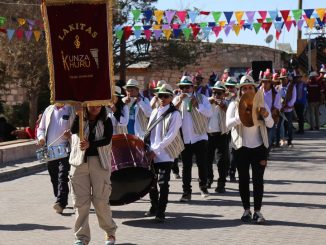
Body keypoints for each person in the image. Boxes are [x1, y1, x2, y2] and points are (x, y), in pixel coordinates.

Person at [226, 75, 274, 224]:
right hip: (241, 147)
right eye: (244, 88)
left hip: (259, 147)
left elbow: (271, 124)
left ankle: (258, 211)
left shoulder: (261, 102)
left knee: (258, 180)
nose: (247, 90)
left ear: (254, 89)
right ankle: (246, 210)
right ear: (240, 90)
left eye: (250, 87)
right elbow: (227, 124)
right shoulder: (234, 104)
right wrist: (242, 115)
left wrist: (266, 116)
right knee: (244, 180)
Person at [69, 105, 117, 245]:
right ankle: (81, 238)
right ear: (86, 105)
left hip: (99, 163)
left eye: (98, 104)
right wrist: (79, 115)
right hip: (79, 164)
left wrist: (90, 144)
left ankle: (110, 233)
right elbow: (73, 131)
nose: (95, 107)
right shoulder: (79, 118)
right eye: (92, 104)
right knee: (80, 202)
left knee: (101, 200)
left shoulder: (106, 120)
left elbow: (107, 139)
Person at [144, 84, 183, 223]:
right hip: (152, 152)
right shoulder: (154, 112)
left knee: (163, 183)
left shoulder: (175, 114)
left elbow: (171, 136)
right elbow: (149, 132)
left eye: (166, 96)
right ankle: (154, 206)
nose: (162, 98)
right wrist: (149, 149)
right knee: (151, 182)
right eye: (160, 95)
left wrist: (156, 150)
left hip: (165, 153)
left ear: (171, 98)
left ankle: (161, 211)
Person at [173, 76, 212, 202]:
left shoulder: (202, 98)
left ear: (192, 87)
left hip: (199, 136)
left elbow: (209, 113)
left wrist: (198, 105)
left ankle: (203, 187)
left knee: (202, 164)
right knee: (186, 166)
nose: (185, 89)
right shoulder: (177, 99)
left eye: (187, 87)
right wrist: (178, 101)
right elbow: (169, 113)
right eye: (182, 87)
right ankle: (186, 192)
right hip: (185, 138)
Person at [37, 104, 74, 214]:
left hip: (65, 149)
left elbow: (77, 128)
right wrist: (41, 138)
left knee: (62, 175)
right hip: (50, 149)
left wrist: (70, 135)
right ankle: (59, 196)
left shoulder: (71, 109)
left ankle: (61, 202)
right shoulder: (48, 109)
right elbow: (41, 128)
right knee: (53, 176)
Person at [206, 82, 229, 193]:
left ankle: (221, 183)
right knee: (207, 160)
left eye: (219, 93)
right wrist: (208, 103)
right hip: (208, 135)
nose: (216, 95)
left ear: (224, 94)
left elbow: (230, 112)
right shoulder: (207, 101)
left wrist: (222, 105)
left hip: (221, 135)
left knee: (221, 161)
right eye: (214, 92)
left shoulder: (227, 103)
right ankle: (209, 179)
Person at [259, 69, 282, 150]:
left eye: (267, 82)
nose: (265, 83)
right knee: (259, 139)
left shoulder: (275, 93)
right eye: (264, 81)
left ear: (270, 83)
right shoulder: (258, 91)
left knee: (268, 139)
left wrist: (268, 115)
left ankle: (266, 154)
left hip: (270, 118)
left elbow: (277, 107)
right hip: (259, 118)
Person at [225, 77, 239, 182]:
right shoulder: (222, 95)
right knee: (225, 151)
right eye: (228, 87)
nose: (229, 89)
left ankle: (232, 172)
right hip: (223, 128)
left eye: (231, 87)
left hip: (235, 127)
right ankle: (225, 170)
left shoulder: (239, 97)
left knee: (233, 150)